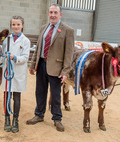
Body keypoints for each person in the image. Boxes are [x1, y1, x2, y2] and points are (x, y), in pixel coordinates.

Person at [26, 4, 74, 132]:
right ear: (48, 14)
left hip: (56, 68)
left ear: (60, 15)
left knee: (56, 95)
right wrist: (32, 65)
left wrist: (65, 71)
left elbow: (69, 54)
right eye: (51, 12)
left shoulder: (68, 30)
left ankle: (57, 119)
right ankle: (39, 115)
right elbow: (38, 48)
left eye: (55, 13)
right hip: (41, 65)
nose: (53, 15)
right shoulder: (43, 27)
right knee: (40, 92)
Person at [1, 15, 31, 133]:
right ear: (11, 25)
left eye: (18, 24)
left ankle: (15, 120)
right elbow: (2, 53)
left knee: (17, 97)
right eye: (13, 24)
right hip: (7, 72)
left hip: (18, 72)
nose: (16, 26)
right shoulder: (6, 39)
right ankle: (7, 119)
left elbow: (25, 57)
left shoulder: (26, 41)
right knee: (6, 96)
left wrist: (14, 57)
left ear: (22, 25)